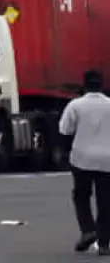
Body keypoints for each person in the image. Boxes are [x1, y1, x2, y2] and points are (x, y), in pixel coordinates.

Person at [60, 70, 110, 254]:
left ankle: (88, 230)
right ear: (101, 85)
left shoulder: (75, 105)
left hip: (81, 158)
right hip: (107, 160)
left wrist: (65, 152)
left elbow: (65, 131)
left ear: (85, 85)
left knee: (81, 195)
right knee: (105, 201)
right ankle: (104, 244)